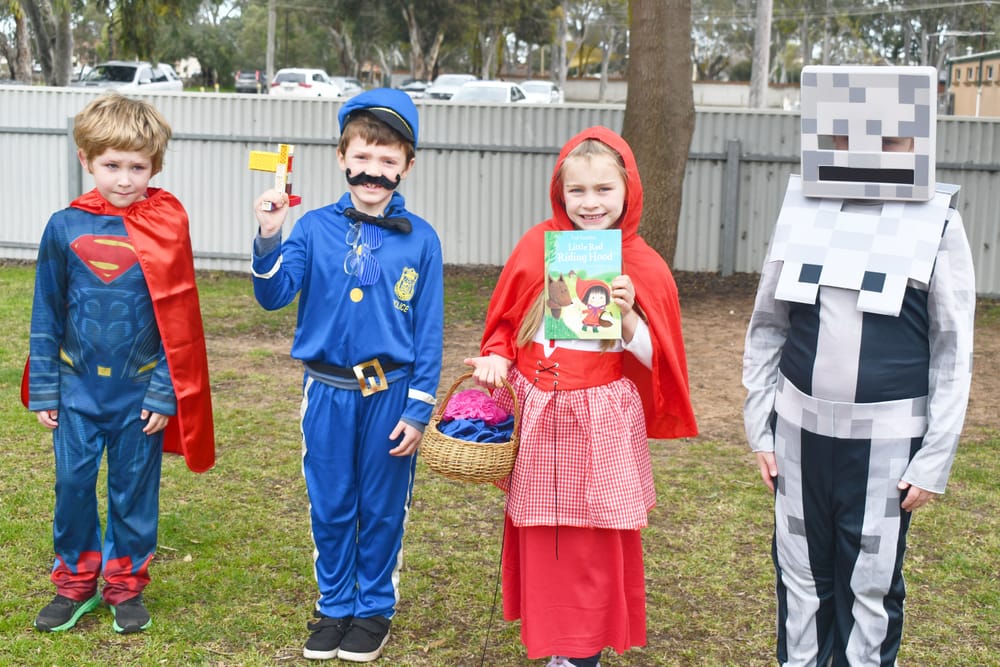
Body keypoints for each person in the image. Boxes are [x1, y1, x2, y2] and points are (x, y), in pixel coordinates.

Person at [742, 65, 976, 666]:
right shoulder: (801, 215)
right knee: (800, 573)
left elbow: (953, 350)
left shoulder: (939, 224)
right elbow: (768, 324)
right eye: (849, 138)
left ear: (917, 140)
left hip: (886, 445)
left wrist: (935, 456)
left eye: (891, 140)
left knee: (868, 582)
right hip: (799, 435)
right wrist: (759, 423)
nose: (869, 154)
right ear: (827, 137)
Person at [465, 126, 698, 667]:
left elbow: (654, 357)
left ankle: (583, 649)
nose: (590, 203)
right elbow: (505, 321)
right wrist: (498, 354)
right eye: (578, 191)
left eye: (603, 190)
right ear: (560, 192)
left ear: (628, 192)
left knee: (592, 536)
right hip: (541, 413)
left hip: (597, 417)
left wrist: (631, 314)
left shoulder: (641, 264)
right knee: (544, 532)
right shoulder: (534, 245)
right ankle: (554, 643)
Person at [250, 88, 443, 663]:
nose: (373, 173)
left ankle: (373, 607)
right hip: (328, 392)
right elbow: (274, 294)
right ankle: (335, 604)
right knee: (331, 501)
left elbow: (428, 332)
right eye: (363, 158)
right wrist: (270, 234)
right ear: (342, 157)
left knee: (382, 506)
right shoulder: (311, 228)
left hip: (389, 394)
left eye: (388, 162)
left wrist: (418, 407)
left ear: (407, 166)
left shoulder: (423, 240)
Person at [25, 92, 215, 635]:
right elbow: (46, 309)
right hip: (77, 392)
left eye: (138, 166)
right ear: (86, 159)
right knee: (72, 484)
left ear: (155, 165)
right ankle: (76, 582)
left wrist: (163, 391)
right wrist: (45, 388)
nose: (125, 178)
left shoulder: (166, 225)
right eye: (112, 165)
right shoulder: (63, 227)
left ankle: (126, 585)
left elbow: (176, 317)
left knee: (133, 490)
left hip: (138, 397)